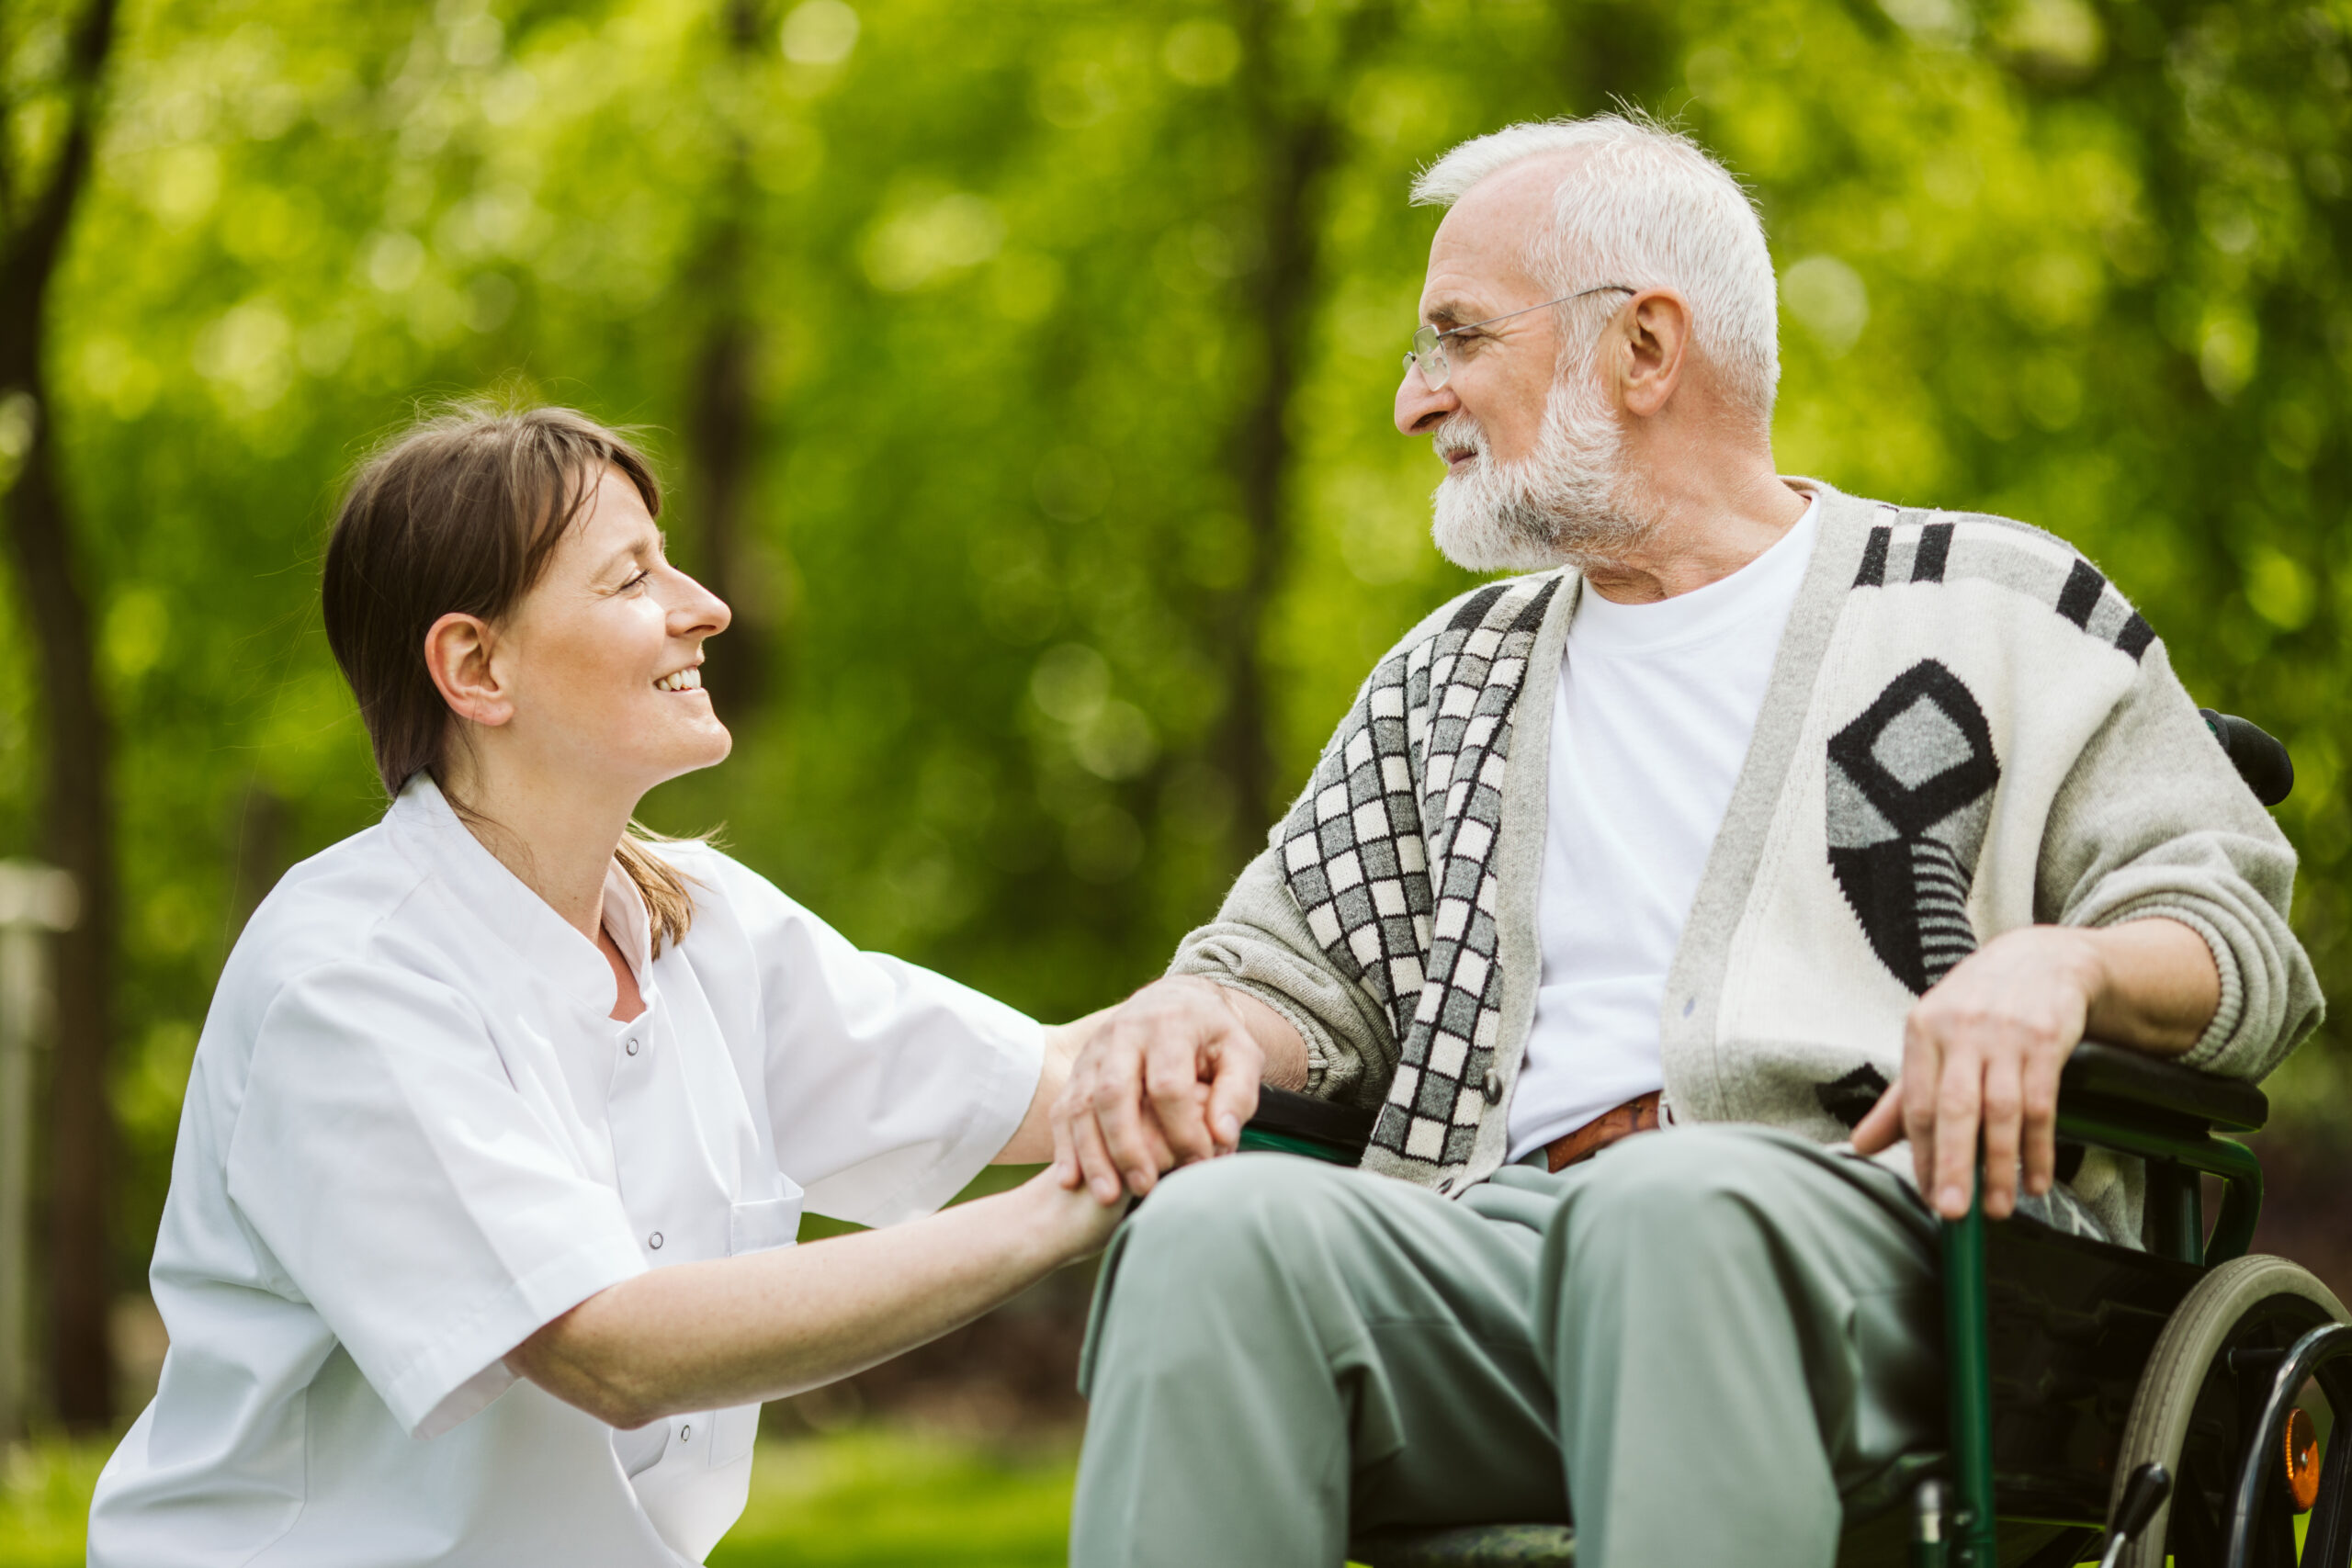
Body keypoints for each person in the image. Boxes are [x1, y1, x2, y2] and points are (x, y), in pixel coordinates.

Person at [1051, 115, 2322, 1568]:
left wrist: (2064, 968)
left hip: (1911, 1260)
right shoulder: (1451, 672)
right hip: (1496, 1247)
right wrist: (1192, 1014)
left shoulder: (1998, 611)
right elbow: (1285, 971)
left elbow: (2233, 939)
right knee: (1215, 1241)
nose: (1415, 400)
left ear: (1644, 348)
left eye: (1456, 338)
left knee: (1669, 1206)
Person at [85, 405, 1125, 1567]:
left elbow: (1063, 1076)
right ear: (477, 667)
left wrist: (1308, 986)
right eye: (633, 579)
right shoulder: (345, 982)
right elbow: (609, 1350)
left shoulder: (703, 921)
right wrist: (1070, 1206)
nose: (706, 607)